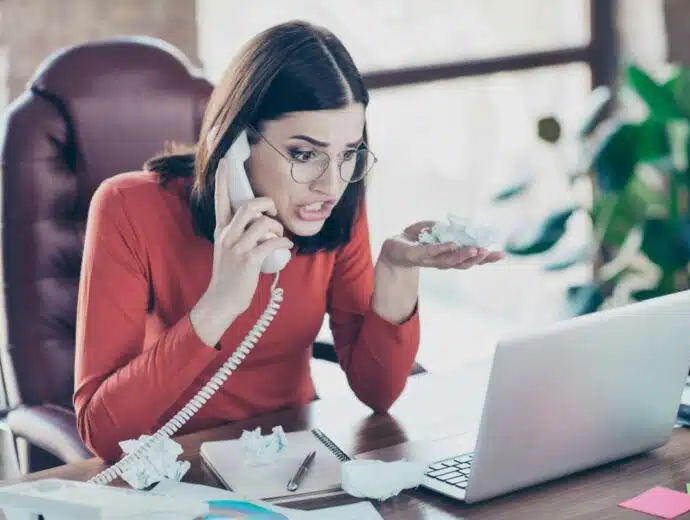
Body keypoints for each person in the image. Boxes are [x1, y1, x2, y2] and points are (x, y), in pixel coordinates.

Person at [73, 20, 503, 462]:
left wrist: (396, 271)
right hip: (175, 469)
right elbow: (103, 433)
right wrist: (220, 303)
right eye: (304, 154)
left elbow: (379, 394)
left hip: (294, 461)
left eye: (348, 153)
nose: (331, 185)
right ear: (237, 140)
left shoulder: (336, 205)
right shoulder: (129, 206)